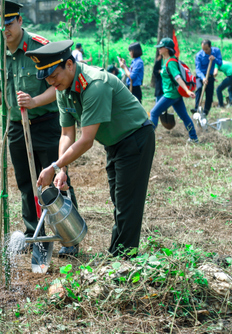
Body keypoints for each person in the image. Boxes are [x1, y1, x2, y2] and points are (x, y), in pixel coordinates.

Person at [27, 40, 155, 258]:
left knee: (127, 205)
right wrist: (62, 171)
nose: (51, 82)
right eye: (47, 78)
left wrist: (53, 165)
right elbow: (67, 134)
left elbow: (86, 140)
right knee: (120, 203)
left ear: (69, 64)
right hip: (114, 144)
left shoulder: (94, 84)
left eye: (54, 75)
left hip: (135, 139)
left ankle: (123, 260)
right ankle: (119, 256)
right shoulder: (62, 89)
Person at [0, 0, 78, 257]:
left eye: (8, 23)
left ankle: (69, 236)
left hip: (46, 123)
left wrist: (35, 100)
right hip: (15, 126)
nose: (4, 29)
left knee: (57, 180)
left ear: (19, 21)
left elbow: (58, 84)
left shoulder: (40, 47)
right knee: (26, 183)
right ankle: (33, 234)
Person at [149, 38, 198, 143]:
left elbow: (177, 77)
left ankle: (148, 139)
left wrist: (187, 90)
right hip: (175, 95)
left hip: (171, 95)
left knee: (154, 113)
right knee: (184, 116)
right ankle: (194, 138)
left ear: (166, 49)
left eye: (161, 47)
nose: (159, 49)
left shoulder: (171, 62)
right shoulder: (166, 60)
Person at [192, 39, 222, 116]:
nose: (205, 51)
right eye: (203, 49)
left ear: (210, 46)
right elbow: (197, 69)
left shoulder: (216, 51)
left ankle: (205, 112)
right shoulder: (199, 55)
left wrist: (214, 58)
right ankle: (196, 108)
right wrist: (203, 78)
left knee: (209, 95)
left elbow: (220, 63)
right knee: (199, 88)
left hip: (210, 76)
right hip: (200, 76)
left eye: (206, 49)